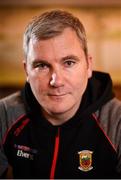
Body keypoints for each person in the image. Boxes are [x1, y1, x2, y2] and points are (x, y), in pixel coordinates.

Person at [0, 9, 121, 179]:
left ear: (88, 65)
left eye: (69, 62)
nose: (56, 81)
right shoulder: (4, 114)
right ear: (26, 70)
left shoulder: (117, 121)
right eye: (42, 65)